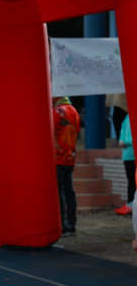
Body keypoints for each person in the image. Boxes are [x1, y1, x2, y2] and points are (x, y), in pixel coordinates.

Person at [53, 96, 81, 236]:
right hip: (70, 157)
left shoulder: (57, 111)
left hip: (58, 157)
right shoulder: (75, 112)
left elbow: (48, 130)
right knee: (70, 191)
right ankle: (72, 222)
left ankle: (62, 224)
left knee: (59, 191)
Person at [116, 115, 134, 216]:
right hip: (127, 156)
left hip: (132, 155)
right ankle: (130, 204)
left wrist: (124, 142)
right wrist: (121, 141)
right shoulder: (126, 118)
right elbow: (122, 132)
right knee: (131, 182)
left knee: (133, 182)